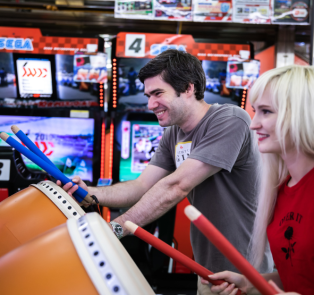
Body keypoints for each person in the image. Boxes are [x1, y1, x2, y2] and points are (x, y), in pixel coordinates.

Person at [58, 49, 273, 295]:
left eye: (158, 93)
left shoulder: (230, 119)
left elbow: (176, 186)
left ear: (189, 88)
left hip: (245, 270)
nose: (150, 104)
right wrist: (91, 193)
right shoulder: (173, 133)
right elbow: (140, 187)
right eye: (148, 95)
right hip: (207, 269)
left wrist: (115, 228)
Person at [203, 65, 314, 295]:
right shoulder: (281, 189)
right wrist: (248, 282)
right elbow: (298, 276)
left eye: (266, 111)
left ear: (302, 114)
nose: (253, 124)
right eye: (255, 111)